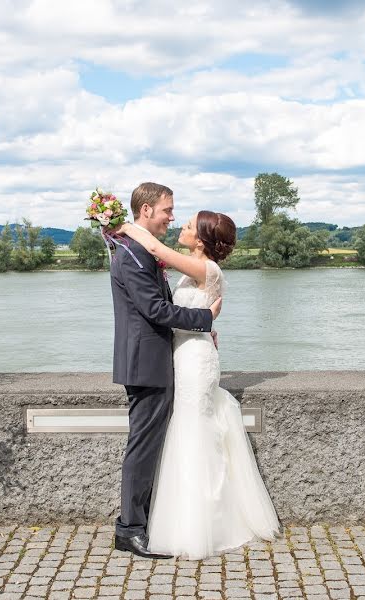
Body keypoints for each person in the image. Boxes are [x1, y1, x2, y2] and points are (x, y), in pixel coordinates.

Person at [114, 209, 281, 560]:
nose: (180, 225)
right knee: (184, 432)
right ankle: (178, 518)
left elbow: (158, 252)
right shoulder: (195, 267)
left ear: (202, 240)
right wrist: (205, 323)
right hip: (182, 354)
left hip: (194, 361)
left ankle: (200, 522)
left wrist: (122, 226)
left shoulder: (208, 269)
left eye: (188, 225)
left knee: (193, 430)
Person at [109, 182, 223, 559]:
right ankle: (129, 529)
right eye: (167, 210)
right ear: (146, 212)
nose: (172, 217)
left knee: (151, 444)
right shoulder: (132, 254)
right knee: (142, 447)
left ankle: (142, 522)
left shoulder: (139, 250)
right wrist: (204, 317)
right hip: (146, 362)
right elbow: (155, 311)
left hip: (158, 360)